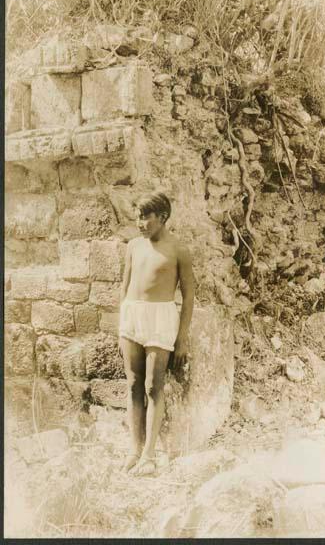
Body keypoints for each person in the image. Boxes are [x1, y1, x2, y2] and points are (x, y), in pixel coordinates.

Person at [118, 192, 195, 476]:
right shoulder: (133, 246)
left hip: (161, 318)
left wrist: (182, 337)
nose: (140, 222)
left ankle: (150, 455)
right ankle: (134, 450)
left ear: (162, 217)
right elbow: (124, 287)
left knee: (153, 386)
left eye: (146, 217)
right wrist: (121, 325)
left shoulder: (178, 250)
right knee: (133, 384)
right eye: (137, 216)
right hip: (132, 316)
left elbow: (188, 296)